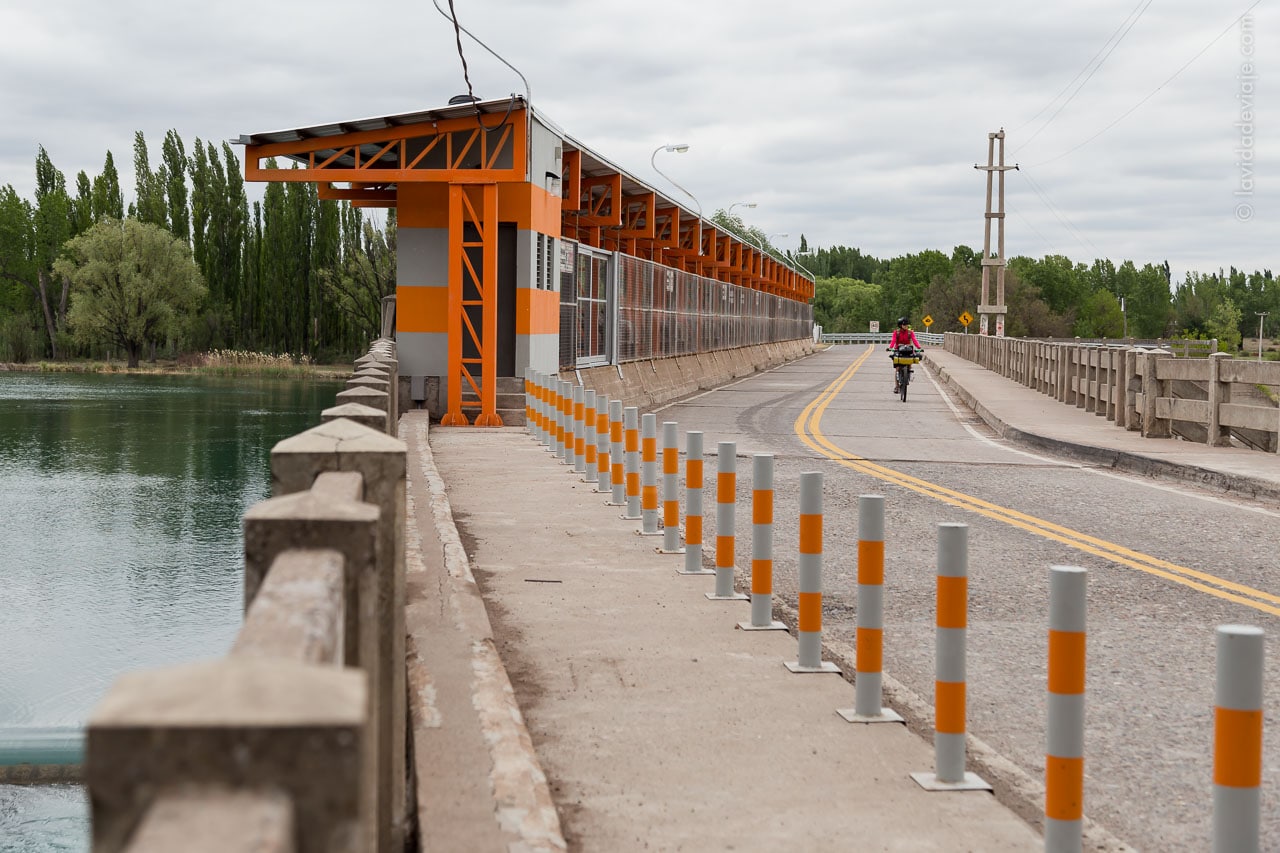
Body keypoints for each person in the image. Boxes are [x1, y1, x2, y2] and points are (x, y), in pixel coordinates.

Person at [888, 317, 921, 394]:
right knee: (897, 368)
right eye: (904, 324)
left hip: (908, 350)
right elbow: (893, 340)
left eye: (907, 324)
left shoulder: (910, 332)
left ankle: (908, 375)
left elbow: (914, 340)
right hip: (898, 350)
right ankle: (897, 386)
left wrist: (919, 347)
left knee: (910, 363)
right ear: (900, 325)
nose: (906, 326)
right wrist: (890, 347)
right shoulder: (896, 333)